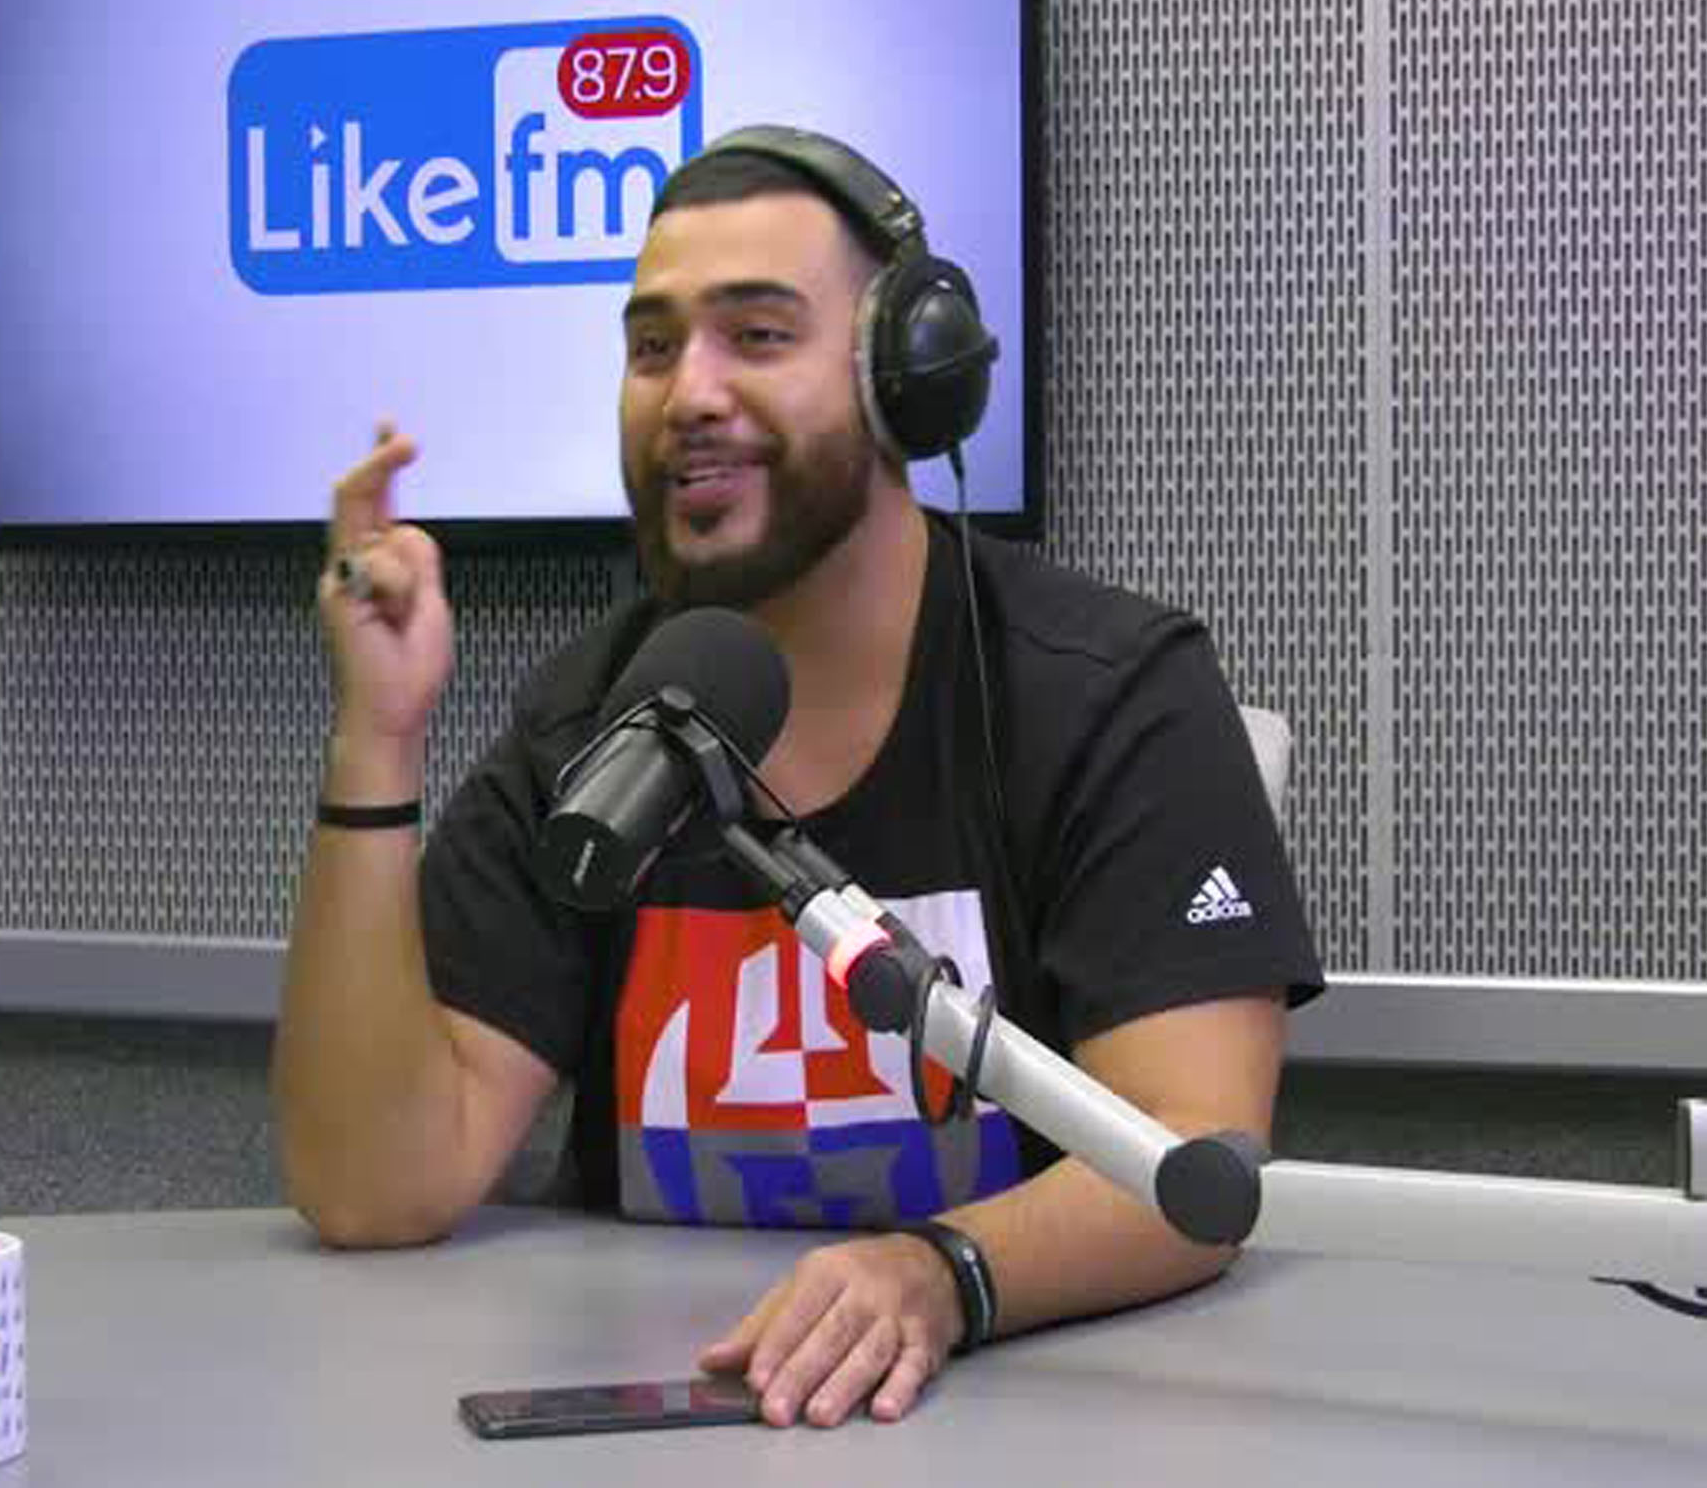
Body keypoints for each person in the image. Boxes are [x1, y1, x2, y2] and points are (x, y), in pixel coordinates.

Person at [272, 125, 1323, 1429]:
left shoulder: (1107, 693)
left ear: (907, 380)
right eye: (652, 348)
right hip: (670, 1417)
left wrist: (943, 1273)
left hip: (1039, 1415)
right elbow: (374, 1189)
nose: (689, 393)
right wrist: (377, 737)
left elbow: (1196, 1164)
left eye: (757, 337)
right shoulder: (592, 725)